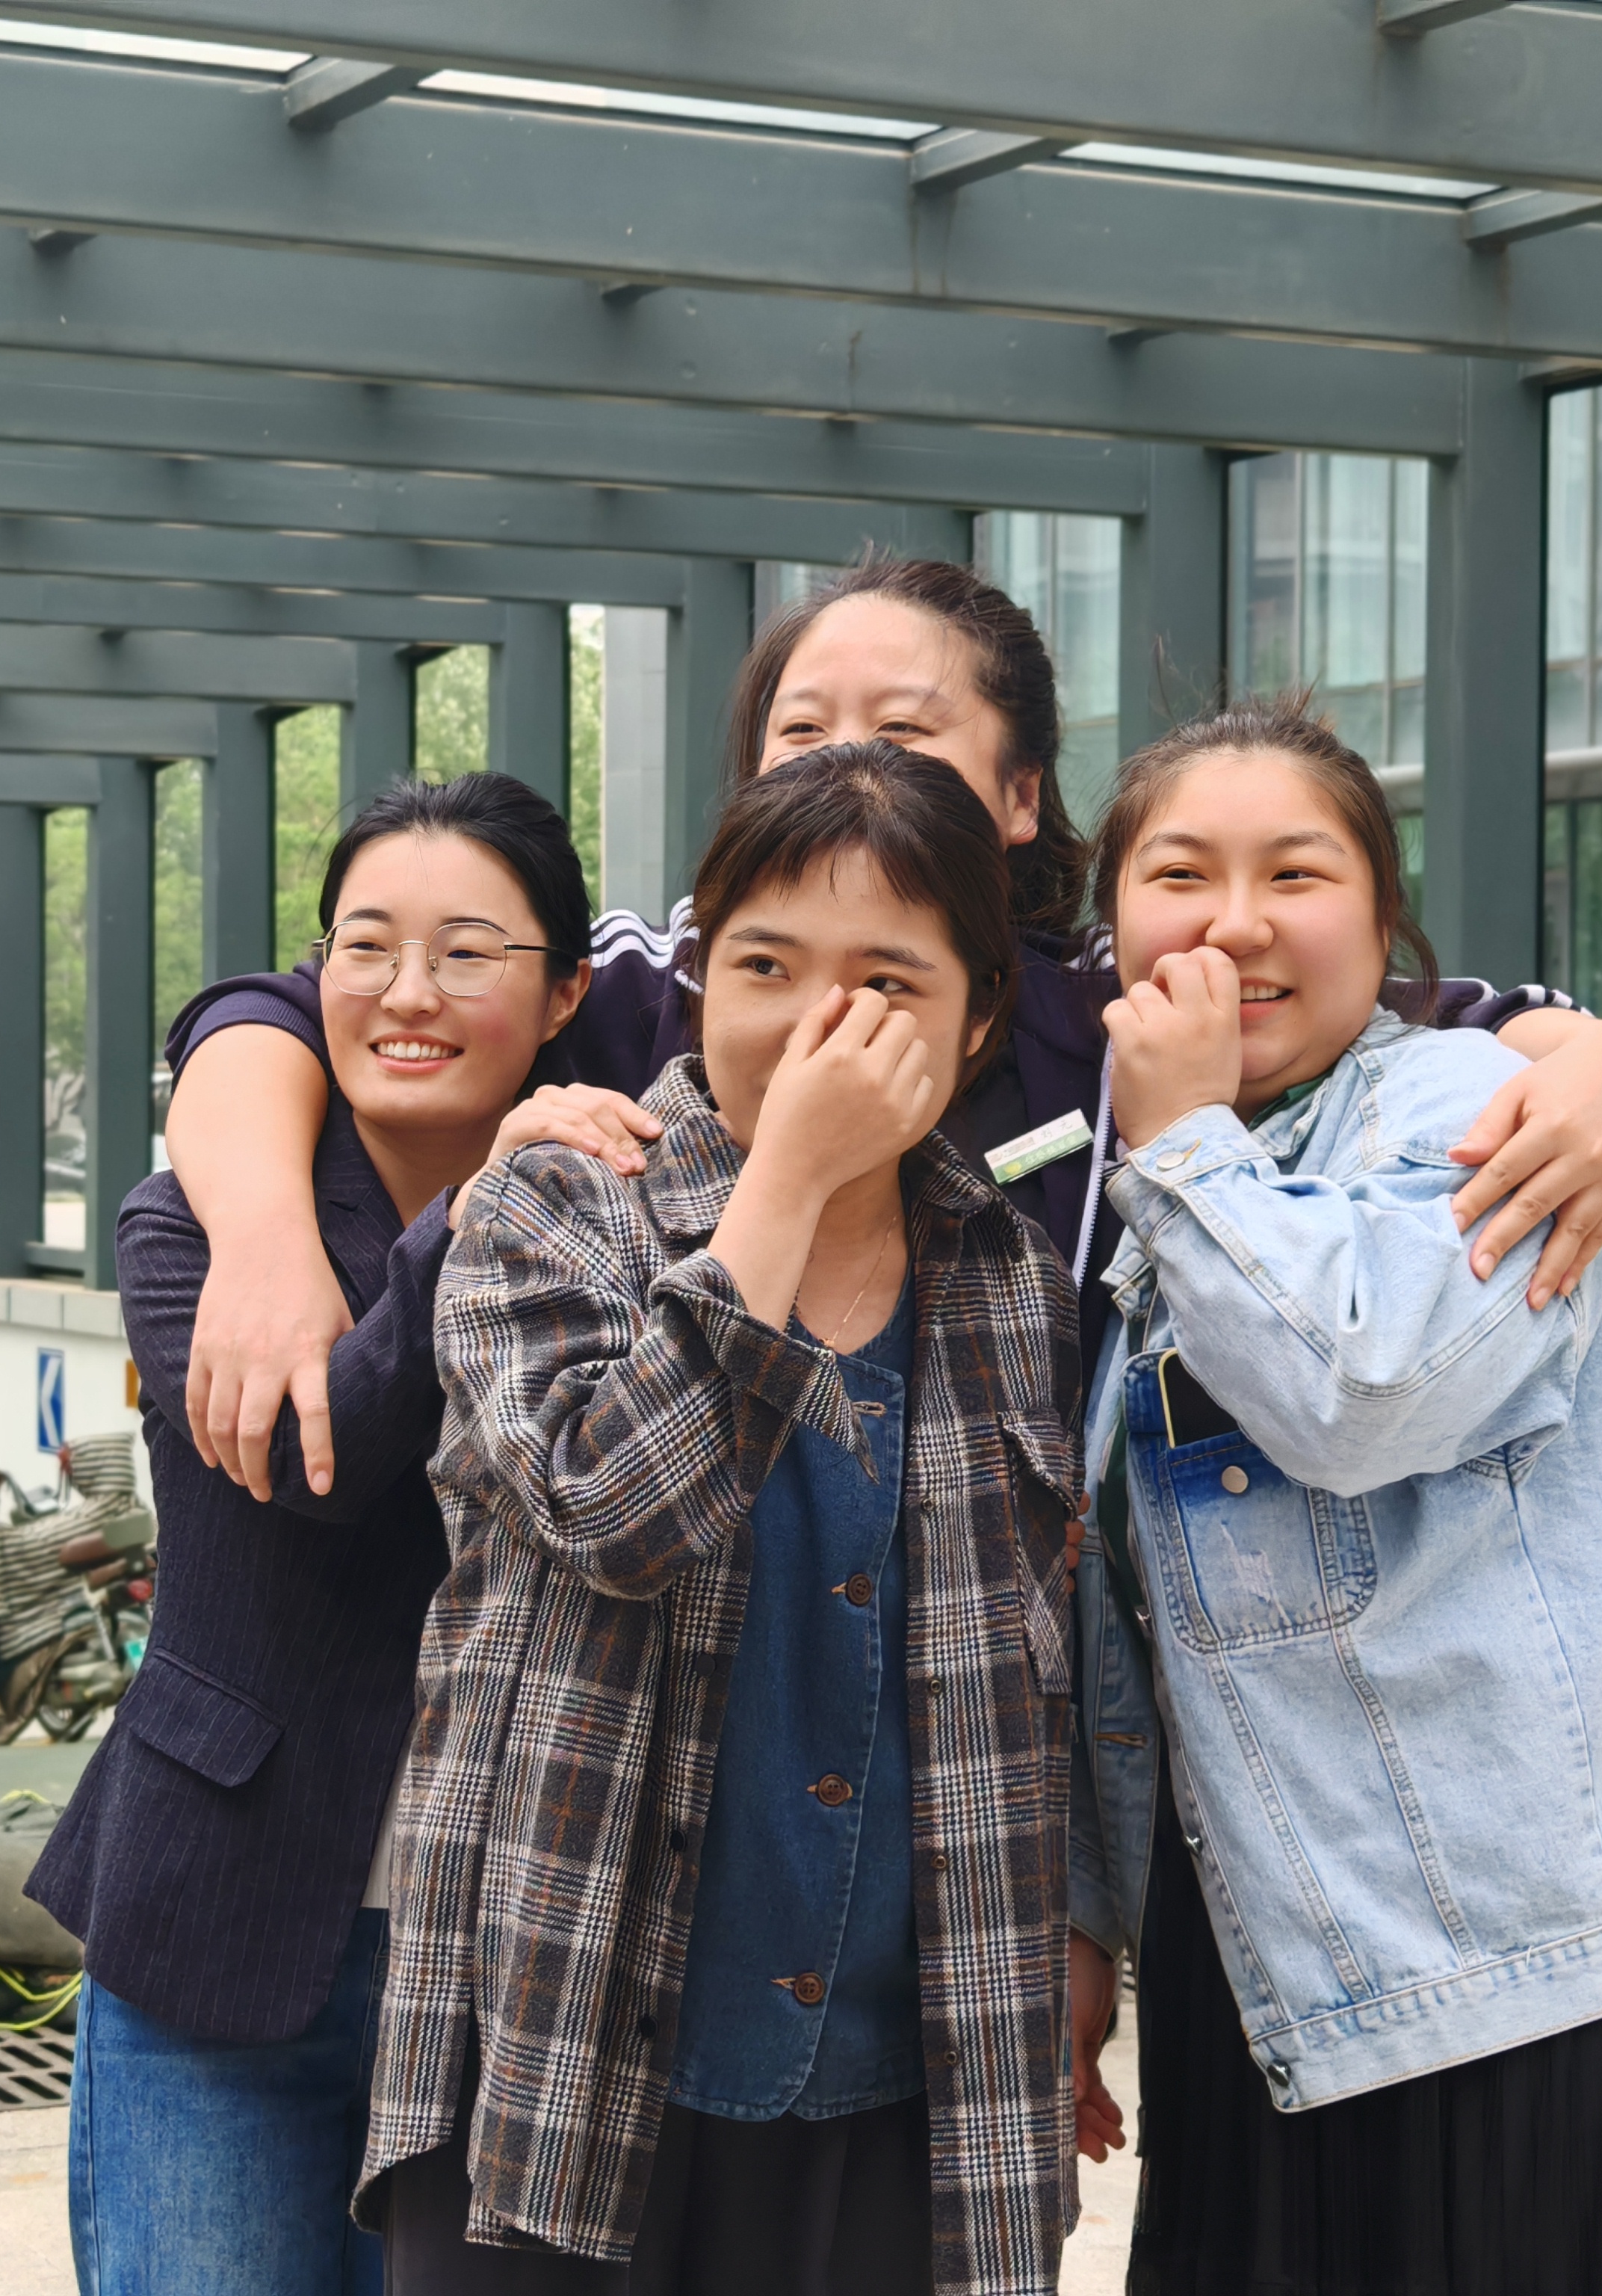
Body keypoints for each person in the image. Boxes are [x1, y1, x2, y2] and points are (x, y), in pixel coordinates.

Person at [161, 555, 1602, 1518]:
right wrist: (263, 1238)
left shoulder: (1101, 1005)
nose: (852, 768)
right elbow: (278, 1012)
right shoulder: (657, 979)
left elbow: (1429, 1019)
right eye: (802, 731)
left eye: (909, 730)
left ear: (1017, 796)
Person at [1073, 697, 1602, 2296]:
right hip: (1291, 1976)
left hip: (1548, 1979)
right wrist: (1087, 1926)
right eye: (1179, 874)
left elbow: (1358, 1393)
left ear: (1382, 918)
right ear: (1113, 922)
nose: (1233, 922)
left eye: (1295, 873)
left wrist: (1185, 1141)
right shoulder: (1149, 1169)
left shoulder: (1463, 1108)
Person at [362, 745, 1080, 2295]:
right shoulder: (553, 1206)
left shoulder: (1007, 1277)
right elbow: (613, 1512)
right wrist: (790, 1184)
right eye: (764, 964)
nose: (818, 1020)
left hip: (907, 2084)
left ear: (977, 1020)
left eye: (885, 979)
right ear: (699, 979)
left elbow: (1044, 1673)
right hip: (565, 2064)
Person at [27, 774, 643, 2296]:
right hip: (218, 1925)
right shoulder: (192, 1224)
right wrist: (474, 1211)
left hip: (508, 1955)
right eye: (365, 948)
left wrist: (508, 1201)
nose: (407, 992)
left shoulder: (624, 1220)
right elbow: (316, 1469)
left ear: (565, 991)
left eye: (467, 952)